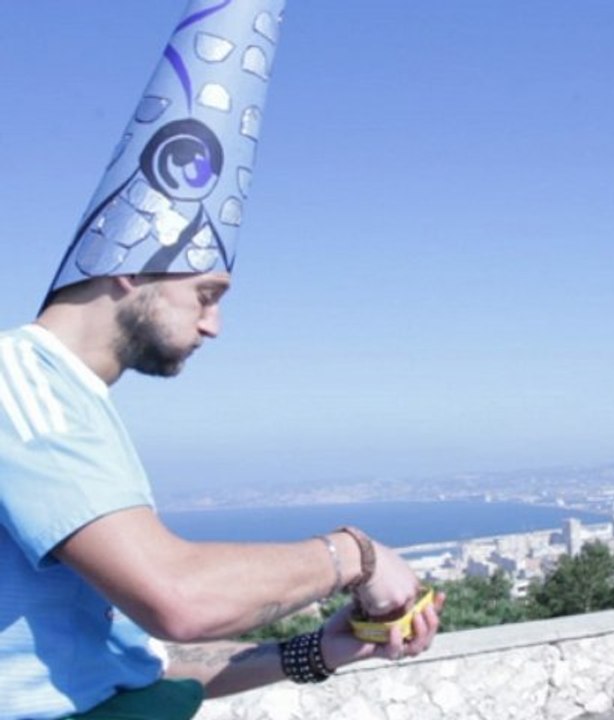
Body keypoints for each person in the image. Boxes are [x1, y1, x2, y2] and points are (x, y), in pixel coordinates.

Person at [0, 2, 441, 719]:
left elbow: (143, 665)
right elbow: (180, 598)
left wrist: (320, 650)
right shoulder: (18, 382)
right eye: (206, 293)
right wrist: (354, 555)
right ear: (130, 267)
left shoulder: (68, 402)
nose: (216, 325)